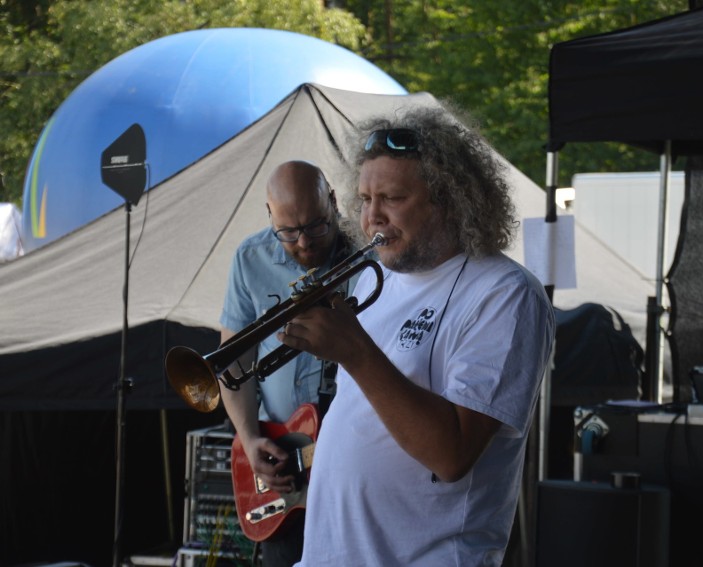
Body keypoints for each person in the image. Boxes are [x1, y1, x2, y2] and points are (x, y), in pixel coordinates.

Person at [280, 106, 555, 566]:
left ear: (449, 199)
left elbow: (451, 456)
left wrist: (354, 351)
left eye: (391, 198)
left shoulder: (505, 294)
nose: (372, 219)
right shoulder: (373, 277)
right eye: (365, 200)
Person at [219, 160, 355, 566]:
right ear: (269, 216)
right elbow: (234, 364)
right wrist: (248, 437)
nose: (304, 243)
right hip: (282, 464)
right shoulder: (250, 258)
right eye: (288, 232)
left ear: (333, 202)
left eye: (316, 226)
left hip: (350, 463)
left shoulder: (371, 253)